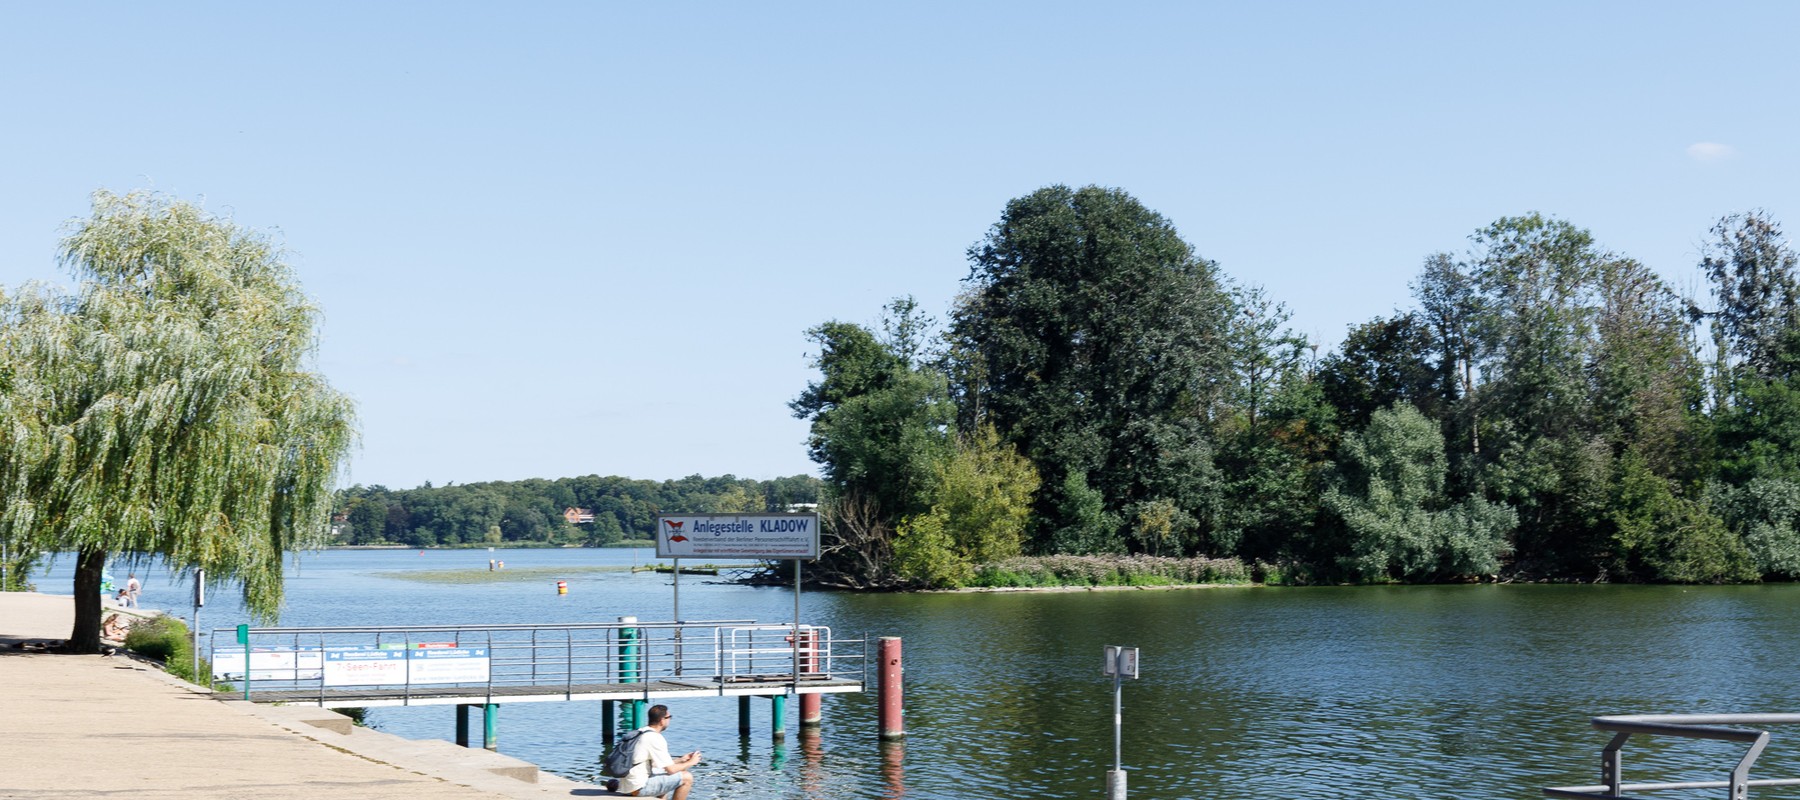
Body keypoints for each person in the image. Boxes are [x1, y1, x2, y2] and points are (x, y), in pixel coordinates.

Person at [615, 704, 700, 799]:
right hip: (637, 788)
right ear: (662, 720)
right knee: (687, 777)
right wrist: (691, 762)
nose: (670, 720)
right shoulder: (655, 738)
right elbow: (671, 770)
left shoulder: (641, 732)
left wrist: (682, 759)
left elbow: (661, 765)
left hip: (627, 785)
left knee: (664, 775)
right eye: (669, 717)